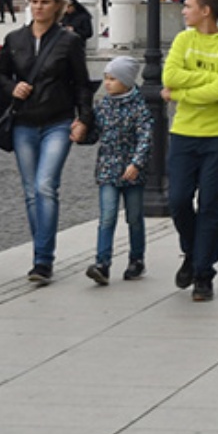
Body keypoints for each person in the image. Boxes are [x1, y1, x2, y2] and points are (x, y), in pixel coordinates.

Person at [0, 0, 95, 284]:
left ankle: (43, 260)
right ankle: (41, 253)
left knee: (44, 186)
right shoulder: (15, 39)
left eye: (45, 2)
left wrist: (84, 119)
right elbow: (0, 73)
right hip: (24, 122)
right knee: (30, 192)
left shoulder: (68, 41)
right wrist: (14, 87)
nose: (38, 7)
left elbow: (82, 84)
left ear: (57, 7)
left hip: (58, 120)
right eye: (34, 1)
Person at [163, 0, 218, 303]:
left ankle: (203, 273)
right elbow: (169, 75)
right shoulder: (183, 39)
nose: (183, 10)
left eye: (188, 5)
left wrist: (182, 92)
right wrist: (201, 82)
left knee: (210, 203)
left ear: (206, 10)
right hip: (184, 132)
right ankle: (192, 252)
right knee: (179, 200)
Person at [87, 56, 151, 285]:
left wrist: (136, 163)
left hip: (132, 172)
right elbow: (94, 134)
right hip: (107, 170)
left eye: (113, 79)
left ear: (125, 80)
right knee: (107, 216)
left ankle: (136, 259)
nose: (108, 83)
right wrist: (80, 133)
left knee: (134, 217)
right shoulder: (102, 105)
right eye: (106, 78)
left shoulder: (139, 107)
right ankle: (102, 263)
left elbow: (145, 137)